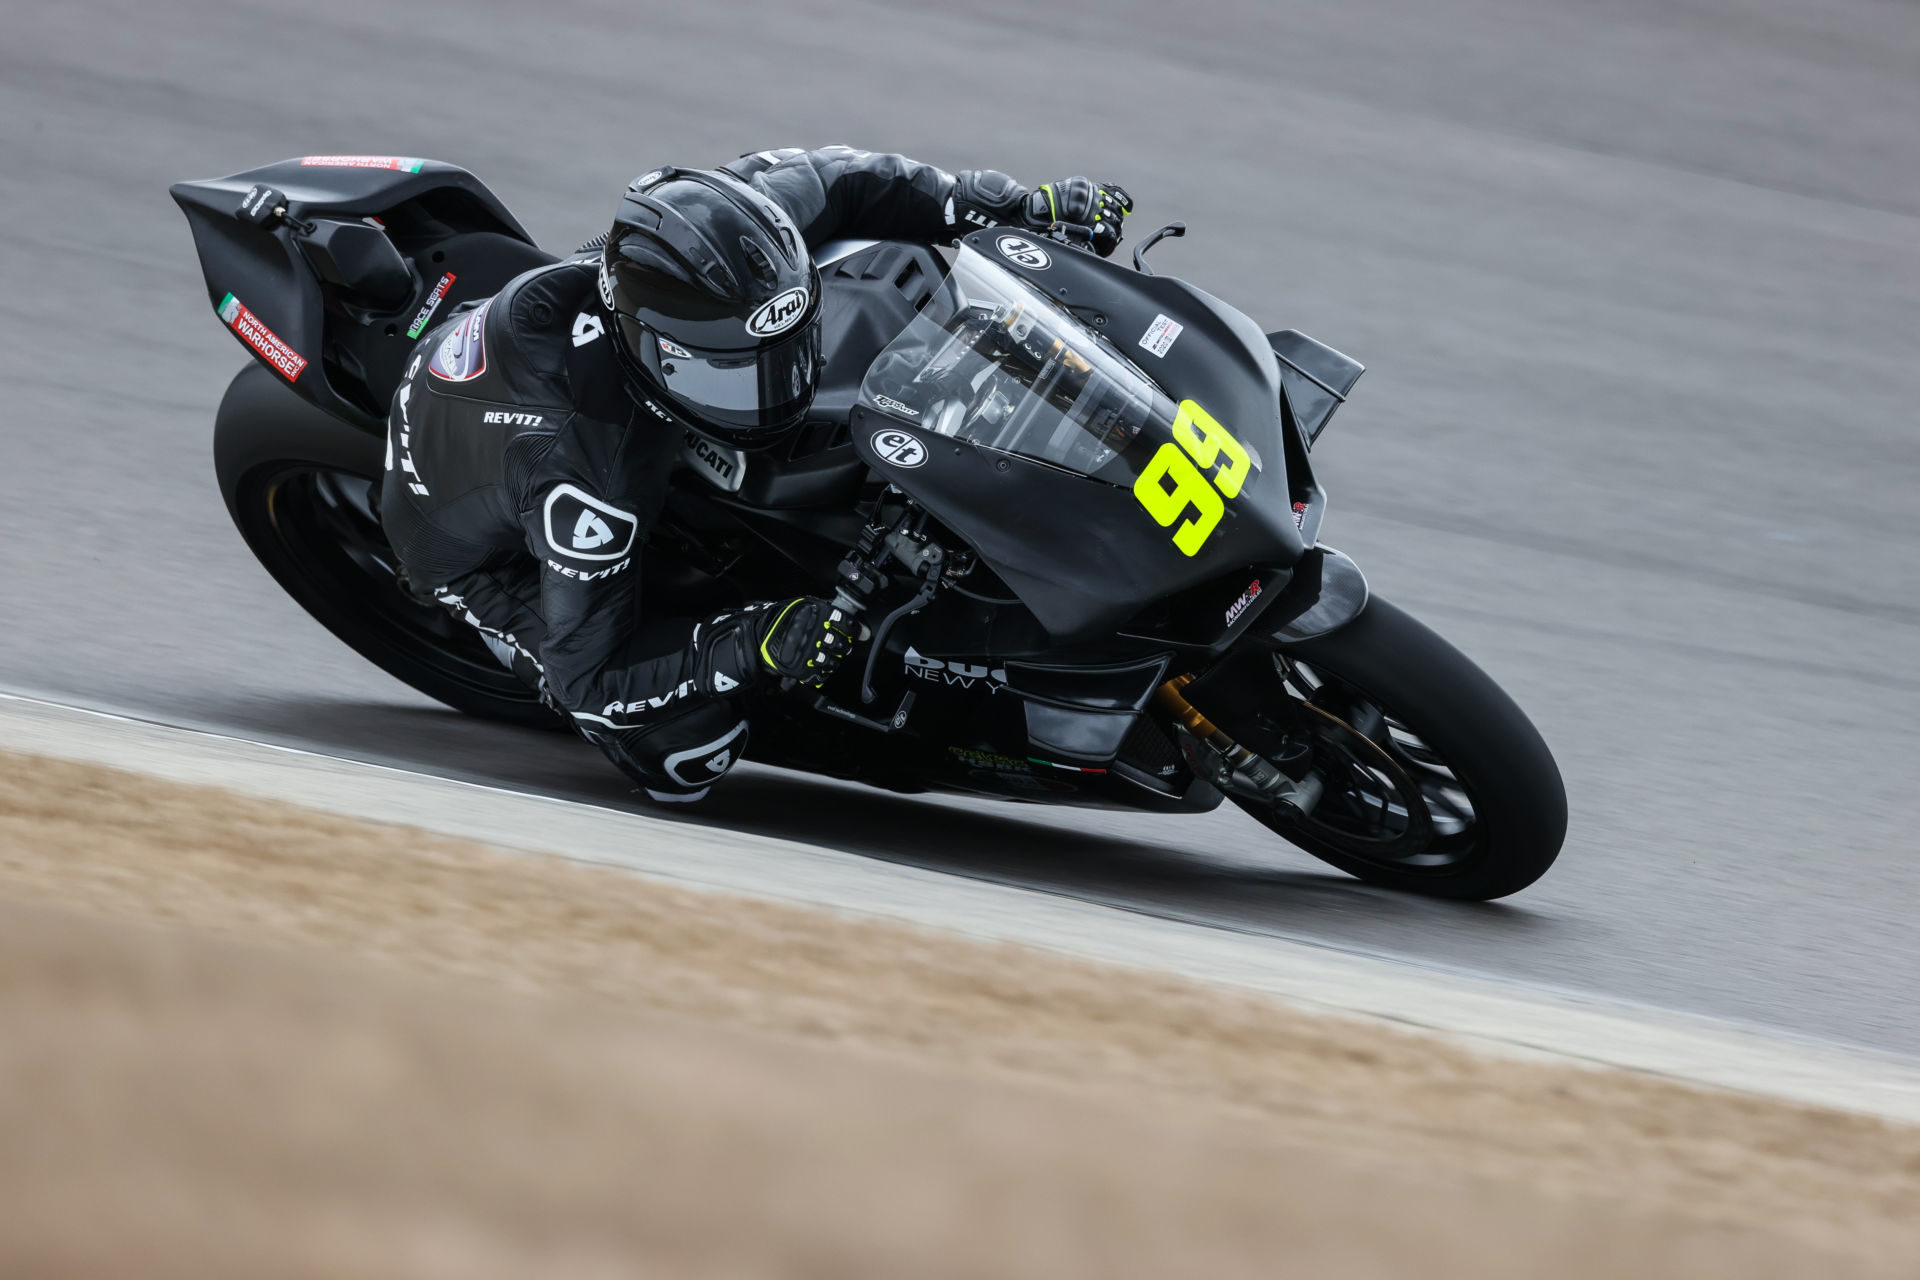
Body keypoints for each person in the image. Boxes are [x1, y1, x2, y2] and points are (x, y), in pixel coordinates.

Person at [379, 146, 1132, 802]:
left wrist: (1003, 205)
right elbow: (593, 674)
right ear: (656, 359)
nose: (776, 391)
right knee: (679, 758)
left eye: (785, 355)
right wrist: (756, 642)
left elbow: (842, 180)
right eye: (737, 377)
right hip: (478, 551)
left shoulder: (733, 230)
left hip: (531, 365)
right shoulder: (591, 475)